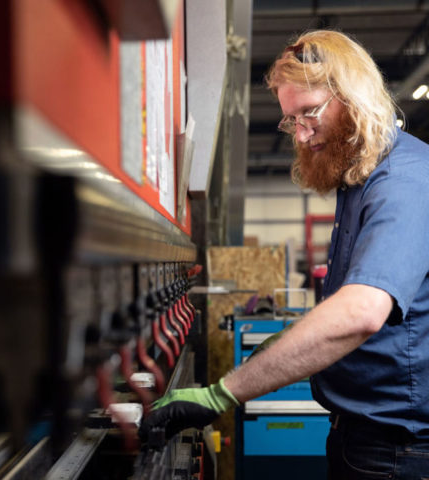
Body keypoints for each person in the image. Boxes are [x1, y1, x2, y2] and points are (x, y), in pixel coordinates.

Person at [140, 29, 429, 479]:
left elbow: (361, 312)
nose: (301, 133)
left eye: (309, 113)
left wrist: (222, 393)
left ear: (353, 96)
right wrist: (274, 354)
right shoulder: (359, 182)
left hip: (398, 451)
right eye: (290, 120)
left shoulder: (403, 181)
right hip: (362, 437)